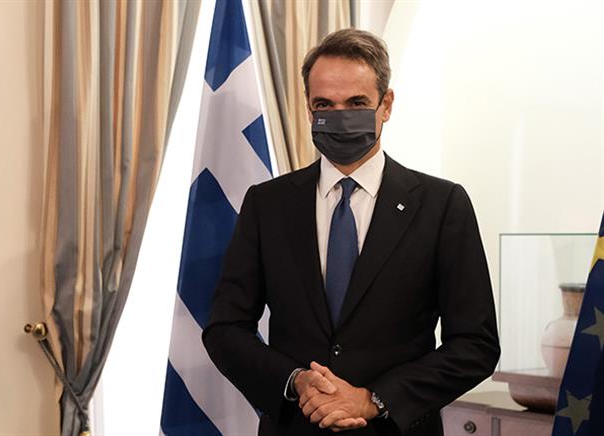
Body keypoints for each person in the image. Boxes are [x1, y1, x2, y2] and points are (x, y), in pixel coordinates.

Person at [201, 29, 499, 436]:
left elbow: (475, 344)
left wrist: (374, 399)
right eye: (324, 105)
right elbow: (225, 328)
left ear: (386, 104)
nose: (339, 117)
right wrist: (295, 381)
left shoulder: (442, 205)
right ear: (308, 108)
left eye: (356, 103)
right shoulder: (266, 204)